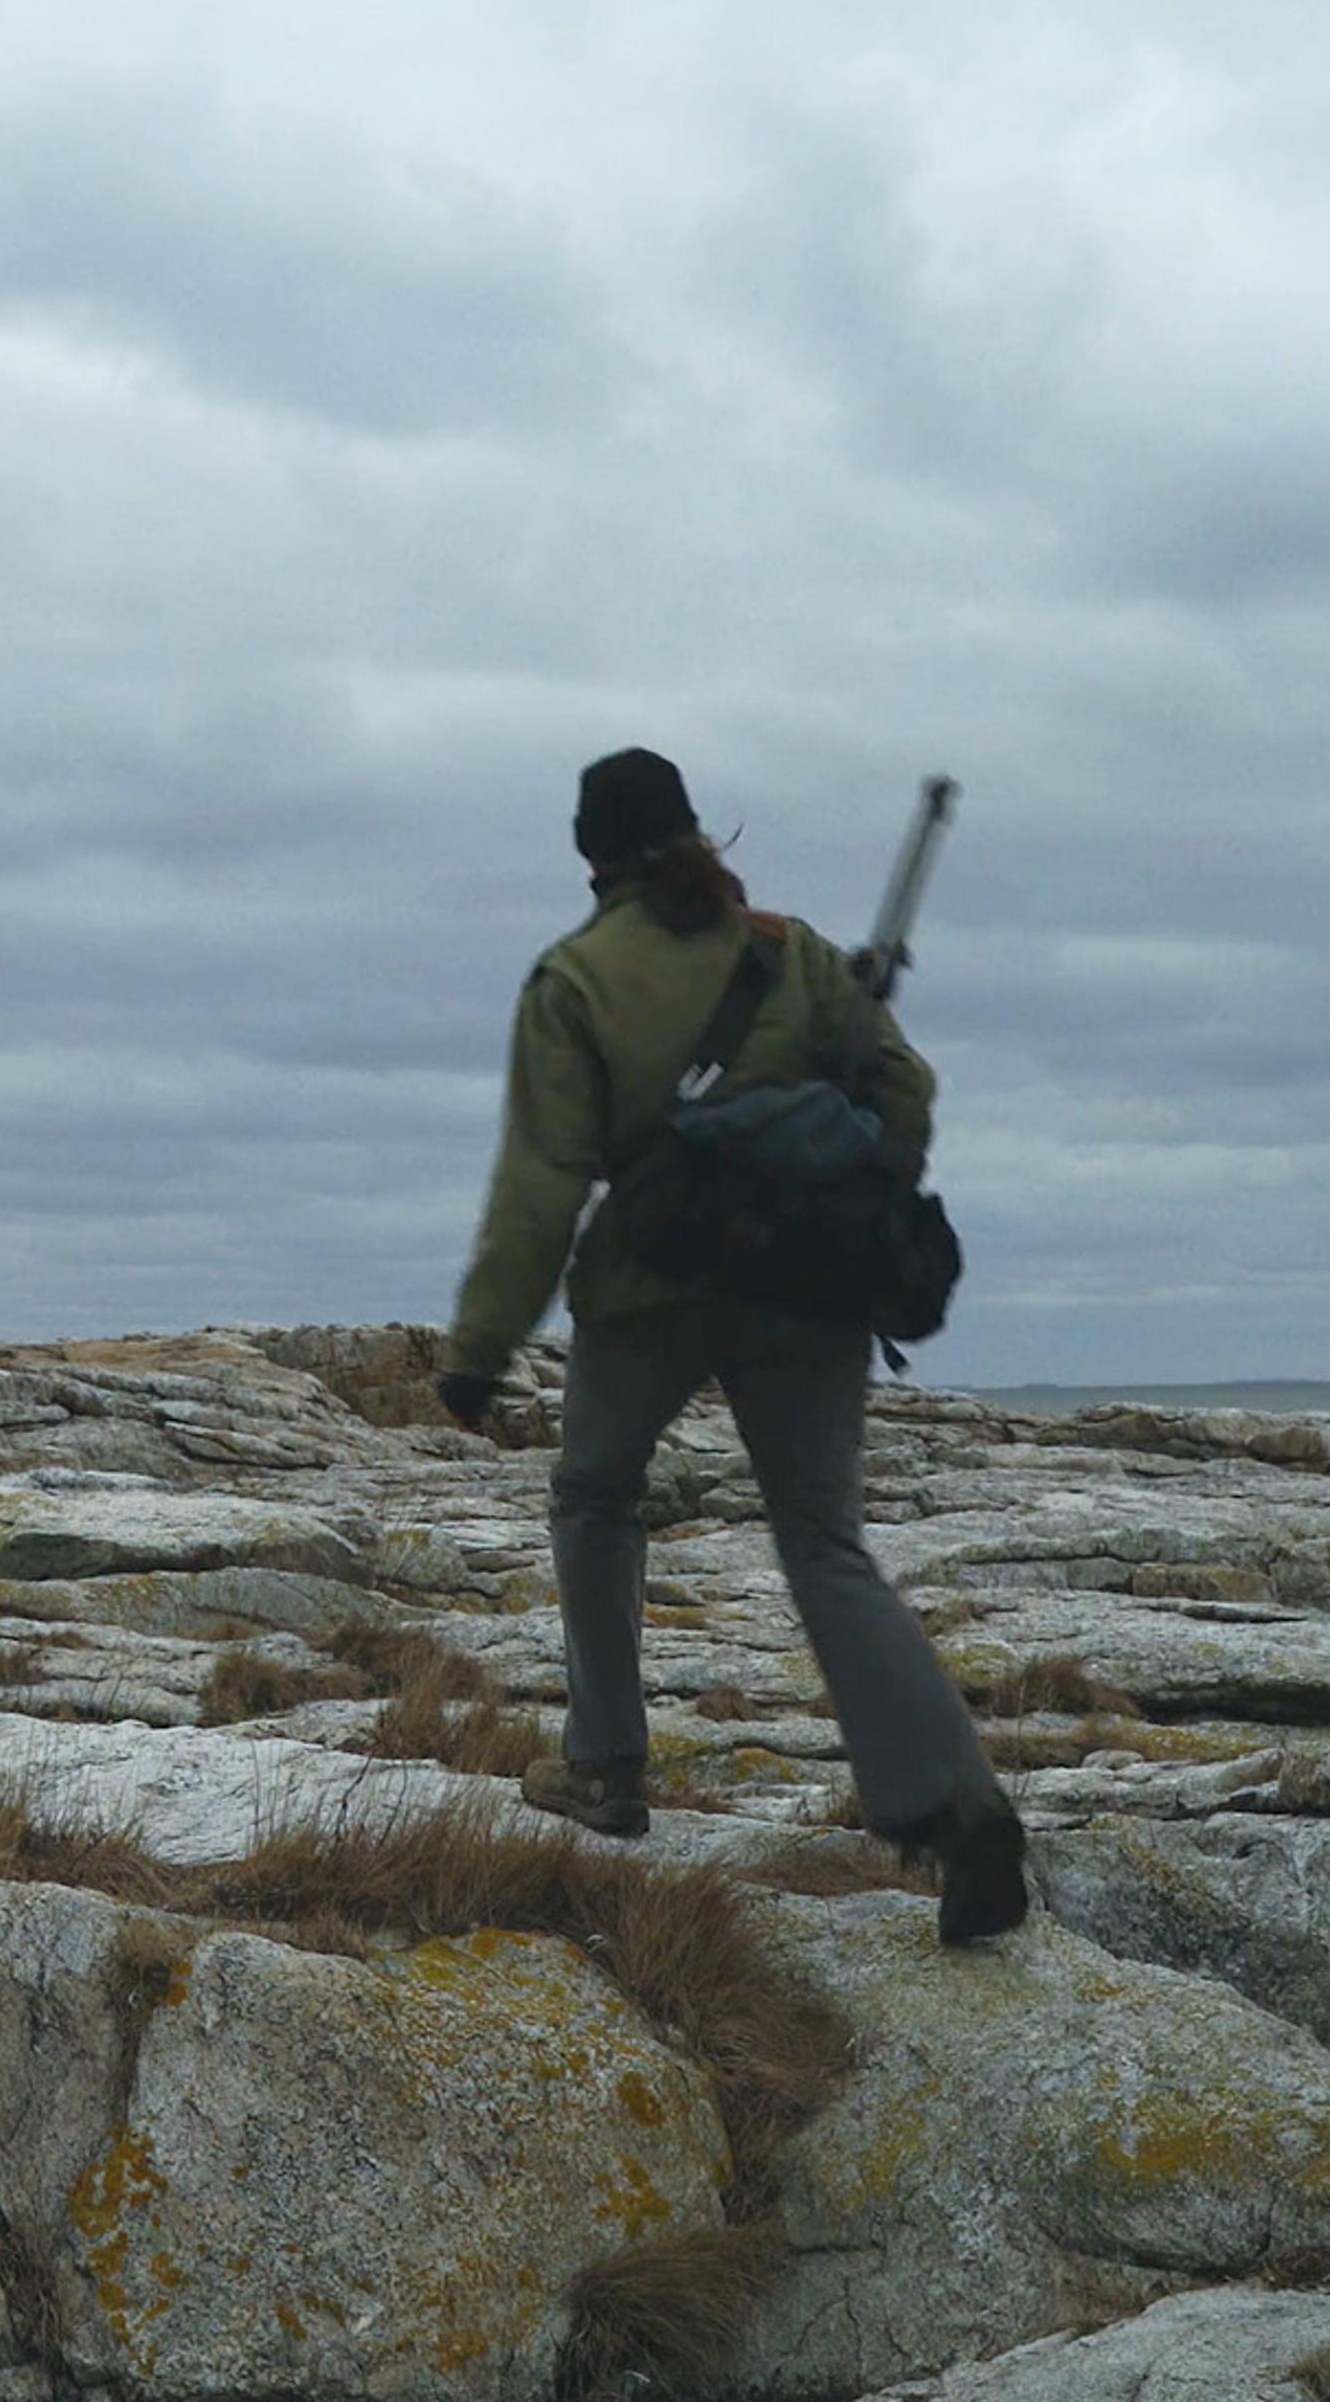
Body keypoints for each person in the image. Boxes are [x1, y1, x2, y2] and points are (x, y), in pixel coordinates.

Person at [434, 746, 1028, 1944]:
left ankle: (604, 1769)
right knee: (824, 1542)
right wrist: (835, 1199)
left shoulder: (574, 980)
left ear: (590, 856)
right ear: (698, 831)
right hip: (809, 1292)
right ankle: (959, 1813)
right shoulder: (790, 952)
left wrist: (478, 1352)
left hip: (650, 1289)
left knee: (596, 1494)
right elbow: (904, 1095)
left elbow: (543, 1184)